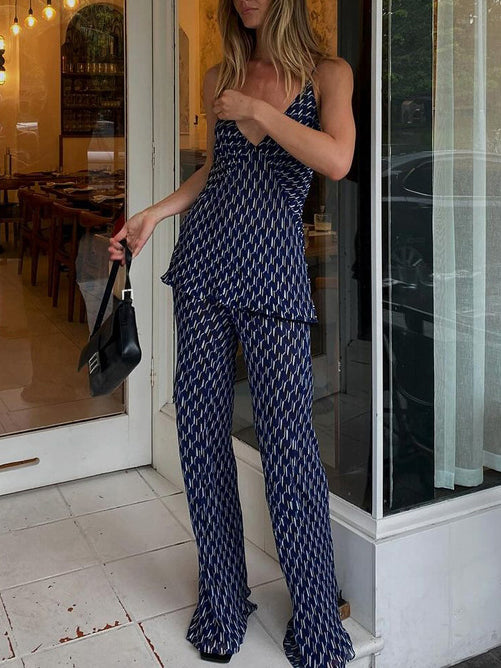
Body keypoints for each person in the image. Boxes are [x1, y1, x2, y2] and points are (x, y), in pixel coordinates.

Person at [109, 1, 356, 665]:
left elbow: (336, 159)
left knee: (289, 449)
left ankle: (314, 614)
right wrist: (155, 214)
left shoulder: (328, 75)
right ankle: (222, 598)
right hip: (203, 266)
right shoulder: (220, 75)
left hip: (274, 275)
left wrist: (258, 112)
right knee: (199, 437)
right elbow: (217, 170)